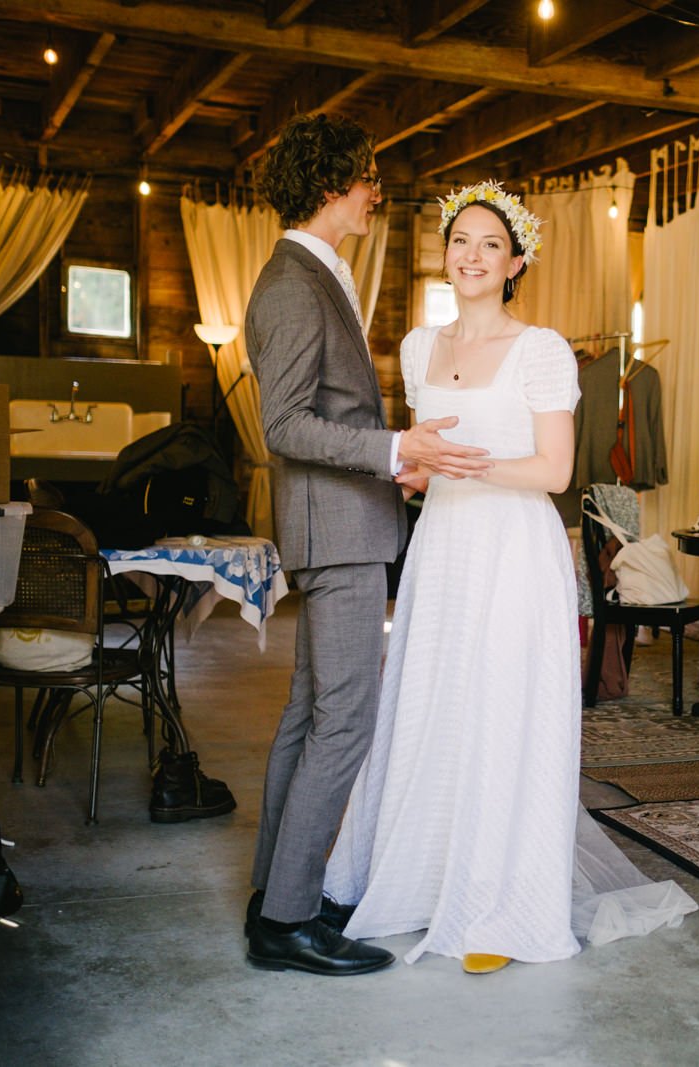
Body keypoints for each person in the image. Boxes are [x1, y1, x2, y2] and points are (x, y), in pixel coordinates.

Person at [324, 181, 697, 974]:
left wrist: (473, 463)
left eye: (491, 243)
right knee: (435, 705)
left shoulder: (543, 349)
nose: (472, 254)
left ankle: (499, 903)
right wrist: (415, 474)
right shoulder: (420, 347)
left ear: (515, 260)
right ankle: (425, 878)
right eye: (461, 240)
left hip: (517, 553)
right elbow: (422, 466)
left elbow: (557, 468)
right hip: (445, 549)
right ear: (446, 254)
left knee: (502, 713)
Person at [243, 114, 492, 976]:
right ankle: (288, 920)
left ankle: (272, 896)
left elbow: (332, 414)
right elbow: (284, 426)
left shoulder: (320, 272)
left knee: (311, 713)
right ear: (329, 185)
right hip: (335, 533)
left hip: (344, 519)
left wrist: (400, 467)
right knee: (345, 719)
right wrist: (397, 449)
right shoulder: (291, 282)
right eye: (366, 177)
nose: (375, 192)